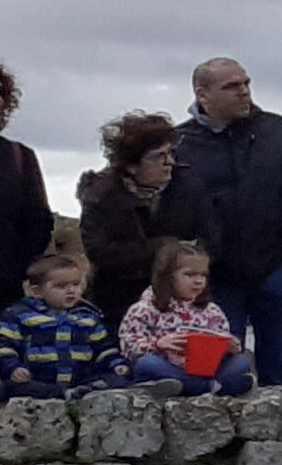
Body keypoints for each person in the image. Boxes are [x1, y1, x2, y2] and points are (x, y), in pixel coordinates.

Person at [173, 56, 282, 392]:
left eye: (246, 84)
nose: (243, 92)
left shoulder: (277, 131)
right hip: (214, 278)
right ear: (203, 94)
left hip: (278, 269)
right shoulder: (180, 144)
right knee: (215, 371)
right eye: (232, 86)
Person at [74, 112, 211, 316]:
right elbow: (101, 253)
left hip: (179, 304)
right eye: (159, 157)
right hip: (116, 304)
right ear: (131, 165)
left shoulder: (190, 188)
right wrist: (165, 248)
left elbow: (210, 239)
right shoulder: (101, 196)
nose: (170, 162)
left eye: (170, 153)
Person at [119, 242, 254, 394]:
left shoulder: (212, 311)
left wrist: (229, 348)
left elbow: (221, 339)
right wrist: (157, 344)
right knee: (146, 365)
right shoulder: (144, 309)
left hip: (206, 370)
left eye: (203, 275)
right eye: (190, 275)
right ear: (168, 276)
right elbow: (128, 345)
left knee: (241, 361)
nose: (199, 281)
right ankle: (212, 387)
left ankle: (200, 386)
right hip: (168, 368)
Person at [0, 255, 116, 398]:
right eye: (61, 286)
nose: (71, 290)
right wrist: (12, 368)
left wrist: (117, 364)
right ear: (37, 291)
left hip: (80, 377)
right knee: (14, 387)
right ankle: (65, 393)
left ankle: (83, 390)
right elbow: (4, 347)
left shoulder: (88, 316)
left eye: (76, 284)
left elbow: (103, 347)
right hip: (38, 379)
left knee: (116, 380)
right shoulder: (18, 315)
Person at [0, 64, 49, 303]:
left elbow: (38, 223)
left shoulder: (19, 156)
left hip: (6, 296)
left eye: (0, 92)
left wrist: (14, 273)